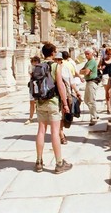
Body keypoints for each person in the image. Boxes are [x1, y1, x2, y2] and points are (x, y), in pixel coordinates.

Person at [34, 43, 72, 174]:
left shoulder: (37, 66)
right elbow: (60, 86)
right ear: (53, 53)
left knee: (41, 131)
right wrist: (65, 103)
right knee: (55, 132)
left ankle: (39, 162)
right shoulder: (56, 66)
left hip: (40, 102)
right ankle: (59, 163)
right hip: (53, 101)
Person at [80, 48, 100, 126]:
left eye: (88, 53)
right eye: (85, 54)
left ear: (92, 54)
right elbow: (81, 71)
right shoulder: (88, 62)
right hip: (88, 82)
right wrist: (84, 71)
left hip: (92, 82)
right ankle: (95, 114)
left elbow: (86, 72)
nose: (86, 55)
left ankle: (94, 117)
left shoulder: (92, 62)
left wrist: (85, 71)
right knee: (86, 100)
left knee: (91, 100)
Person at [24, 56, 41, 125]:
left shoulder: (41, 68)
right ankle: (30, 118)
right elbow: (31, 75)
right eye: (33, 63)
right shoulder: (31, 67)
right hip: (32, 86)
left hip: (39, 87)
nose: (34, 64)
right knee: (32, 102)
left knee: (39, 102)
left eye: (35, 63)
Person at [99, 46, 111, 114]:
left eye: (110, 54)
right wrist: (101, 68)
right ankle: (108, 107)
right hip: (105, 76)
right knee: (107, 92)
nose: (109, 55)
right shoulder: (103, 60)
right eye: (108, 54)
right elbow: (98, 67)